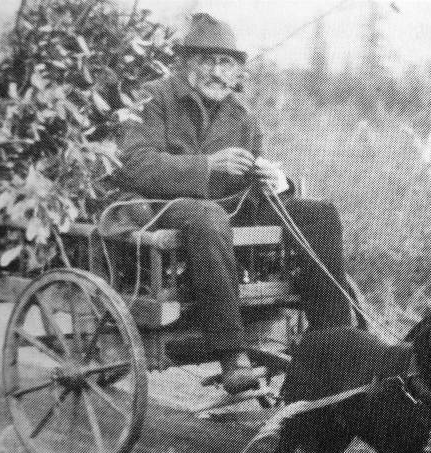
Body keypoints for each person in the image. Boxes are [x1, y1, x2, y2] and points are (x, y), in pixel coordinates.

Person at [110, 13, 352, 393]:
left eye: (228, 63)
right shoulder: (151, 97)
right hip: (156, 203)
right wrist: (206, 166)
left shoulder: (241, 116)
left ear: (238, 70)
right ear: (185, 61)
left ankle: (337, 343)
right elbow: (133, 164)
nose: (219, 72)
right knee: (209, 217)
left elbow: (249, 187)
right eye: (208, 60)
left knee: (319, 214)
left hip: (226, 208)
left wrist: (276, 183)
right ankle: (231, 356)